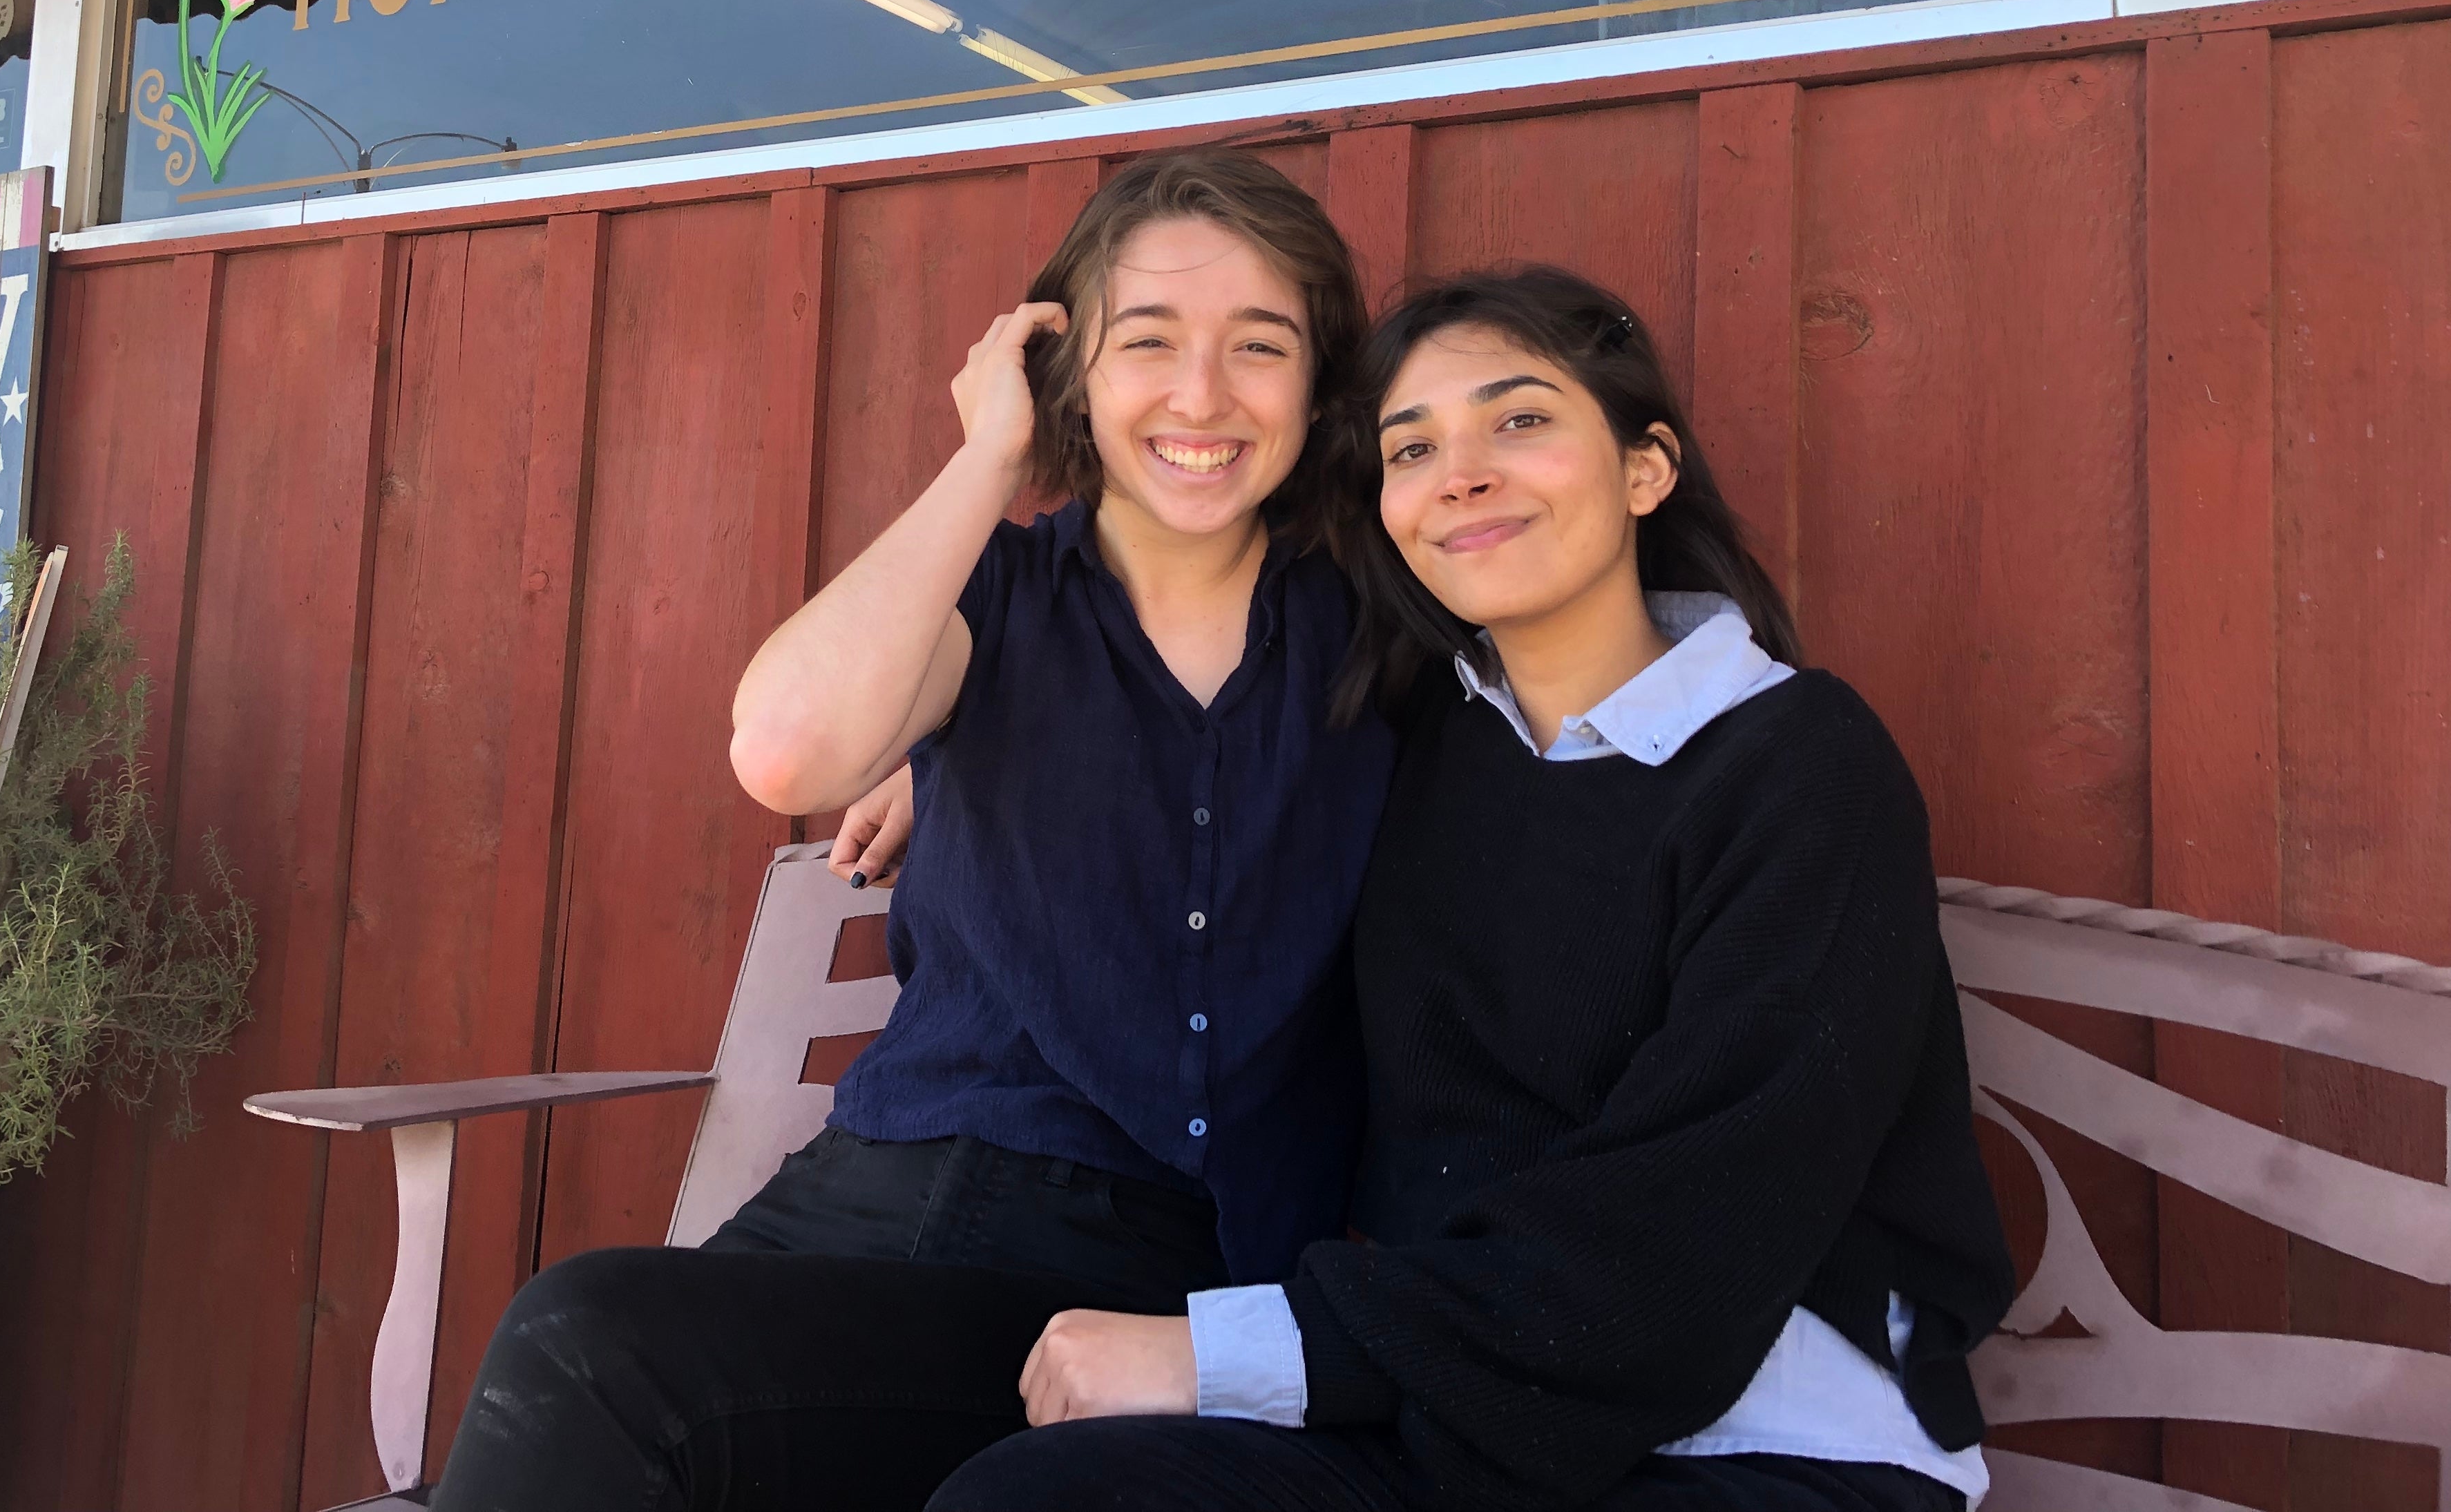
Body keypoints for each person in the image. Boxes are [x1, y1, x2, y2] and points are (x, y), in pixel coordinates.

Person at [941, 267, 2017, 1512]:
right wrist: (961, 759)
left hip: (1766, 1443)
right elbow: (1201, 784)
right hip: (1451, 1422)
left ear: (1644, 470)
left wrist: (1232, 1351)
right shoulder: (1420, 752)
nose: (1461, 473)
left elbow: (1691, 1235)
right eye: (1413, 448)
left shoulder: (1799, 766)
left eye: (1520, 421)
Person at [430, 149, 1393, 1510]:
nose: (1200, 395)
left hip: (1129, 1276)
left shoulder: (1372, 632)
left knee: (595, 1357)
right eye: (1148, 341)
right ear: (1065, 370)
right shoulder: (989, 599)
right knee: (603, 1382)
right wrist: (988, 458)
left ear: (1320, 381)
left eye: (1260, 345)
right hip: (864, 1206)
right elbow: (784, 751)